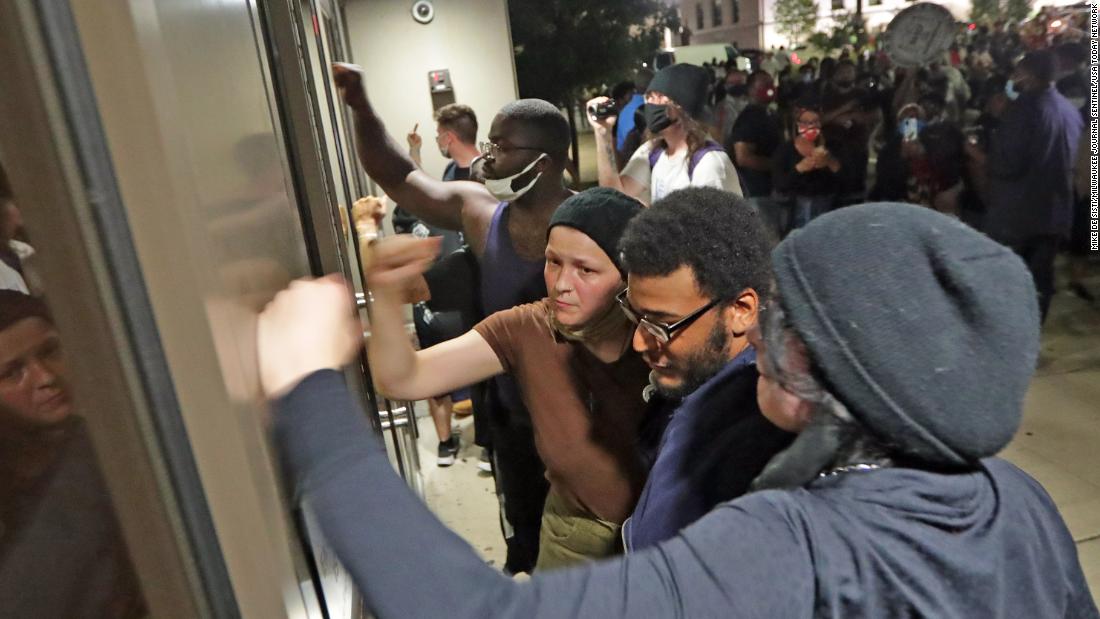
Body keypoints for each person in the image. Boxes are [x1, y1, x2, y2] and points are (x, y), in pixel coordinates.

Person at [259, 203, 1099, 618]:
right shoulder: (1019, 505)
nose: (760, 331)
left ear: (839, 366)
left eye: (783, 316)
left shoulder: (794, 544)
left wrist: (308, 395)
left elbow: (471, 611)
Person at [333, 62, 574, 574]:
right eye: (488, 143)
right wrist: (360, 107)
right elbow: (397, 175)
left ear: (545, 161)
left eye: (502, 147)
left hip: (585, 418)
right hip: (513, 417)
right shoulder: (480, 211)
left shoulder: (592, 221)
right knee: (527, 547)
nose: (488, 158)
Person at [362, 188, 651, 570]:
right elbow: (404, 379)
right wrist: (383, 291)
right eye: (553, 262)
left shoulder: (662, 330)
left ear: (629, 277)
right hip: (576, 537)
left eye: (585, 269)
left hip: (663, 532)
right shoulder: (526, 328)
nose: (562, 283)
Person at [615, 187, 794, 550]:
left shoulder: (737, 437)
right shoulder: (702, 381)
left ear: (741, 310)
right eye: (635, 315)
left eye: (661, 324)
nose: (638, 342)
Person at [0, 291, 146, 618]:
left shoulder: (114, 446)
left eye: (50, 352)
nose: (46, 378)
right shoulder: (86, 464)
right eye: (12, 373)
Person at [399, 102, 482, 466]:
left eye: (437, 137)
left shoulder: (483, 176)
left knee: (482, 365)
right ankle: (451, 442)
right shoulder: (450, 172)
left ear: (449, 137)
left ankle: (488, 442)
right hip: (454, 282)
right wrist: (415, 154)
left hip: (480, 284)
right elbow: (427, 195)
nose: (437, 142)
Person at [984, 50, 1083, 323]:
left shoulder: (1022, 110)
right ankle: (1032, 335)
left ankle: (1009, 339)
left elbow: (1008, 164)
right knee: (1040, 283)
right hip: (1054, 213)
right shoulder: (1069, 110)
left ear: (1026, 74)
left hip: (1019, 217)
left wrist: (986, 149)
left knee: (1010, 282)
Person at [588, 63, 743, 206]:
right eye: (649, 96)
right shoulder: (653, 151)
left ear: (683, 105)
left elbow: (715, 232)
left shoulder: (709, 165)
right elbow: (613, 196)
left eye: (660, 97)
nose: (651, 104)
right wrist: (603, 133)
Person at [773, 101, 842, 231]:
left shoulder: (833, 147)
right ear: (798, 124)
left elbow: (845, 177)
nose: (810, 126)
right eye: (805, 122)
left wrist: (829, 161)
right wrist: (799, 168)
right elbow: (779, 183)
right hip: (796, 208)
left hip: (824, 207)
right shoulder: (785, 150)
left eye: (815, 122)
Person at [726, 70, 782, 199]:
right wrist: (778, 165)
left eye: (771, 83)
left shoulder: (768, 113)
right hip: (756, 190)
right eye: (764, 85)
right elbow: (743, 158)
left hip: (767, 188)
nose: (770, 88)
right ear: (751, 90)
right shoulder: (749, 117)